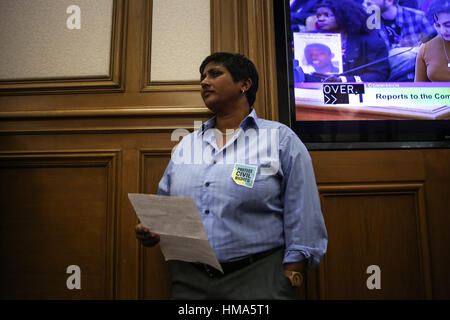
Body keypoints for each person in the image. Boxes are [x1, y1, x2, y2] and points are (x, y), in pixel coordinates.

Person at [135, 52, 328, 300]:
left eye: (214, 74)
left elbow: (304, 212)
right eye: (202, 77)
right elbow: (164, 210)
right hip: (189, 280)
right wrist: (151, 230)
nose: (204, 82)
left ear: (244, 85)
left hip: (258, 279)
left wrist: (291, 276)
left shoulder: (281, 139)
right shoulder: (187, 145)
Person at [306, 0, 390, 82]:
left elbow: (379, 75)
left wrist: (343, 80)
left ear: (344, 15)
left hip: (358, 91)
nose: (321, 19)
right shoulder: (313, 38)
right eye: (318, 16)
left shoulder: (370, 40)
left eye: (326, 15)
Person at [415, 0, 450, 81]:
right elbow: (418, 89)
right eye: (437, 25)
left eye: (448, 25)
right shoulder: (426, 48)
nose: (442, 31)